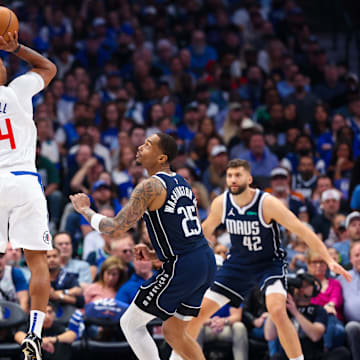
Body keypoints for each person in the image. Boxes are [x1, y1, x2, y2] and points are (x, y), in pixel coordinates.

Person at [170, 159, 351, 360]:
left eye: (238, 175)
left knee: (277, 311)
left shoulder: (267, 203)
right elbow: (204, 231)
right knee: (199, 313)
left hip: (268, 264)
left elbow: (302, 230)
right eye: (230, 176)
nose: (233, 180)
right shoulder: (221, 203)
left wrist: (328, 258)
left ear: (249, 178)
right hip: (237, 265)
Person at [70, 132, 216, 360]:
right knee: (174, 333)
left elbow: (116, 228)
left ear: (161, 158)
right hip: (204, 261)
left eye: (148, 144)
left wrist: (85, 210)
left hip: (184, 265)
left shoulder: (150, 186)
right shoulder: (183, 183)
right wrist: (155, 253)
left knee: (130, 323)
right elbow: (186, 232)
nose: (140, 146)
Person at [0, 31, 57, 359]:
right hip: (23, 179)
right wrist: (16, 48)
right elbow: (48, 68)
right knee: (37, 259)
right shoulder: (18, 90)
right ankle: (34, 333)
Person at [264, 272, 351, 360]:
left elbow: (315, 335)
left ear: (314, 289)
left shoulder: (318, 310)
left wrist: (296, 313)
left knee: (342, 352)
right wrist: (276, 307)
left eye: (306, 286)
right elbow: (269, 336)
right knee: (276, 357)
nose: (301, 289)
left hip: (314, 355)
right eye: (299, 286)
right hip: (290, 356)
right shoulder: (283, 310)